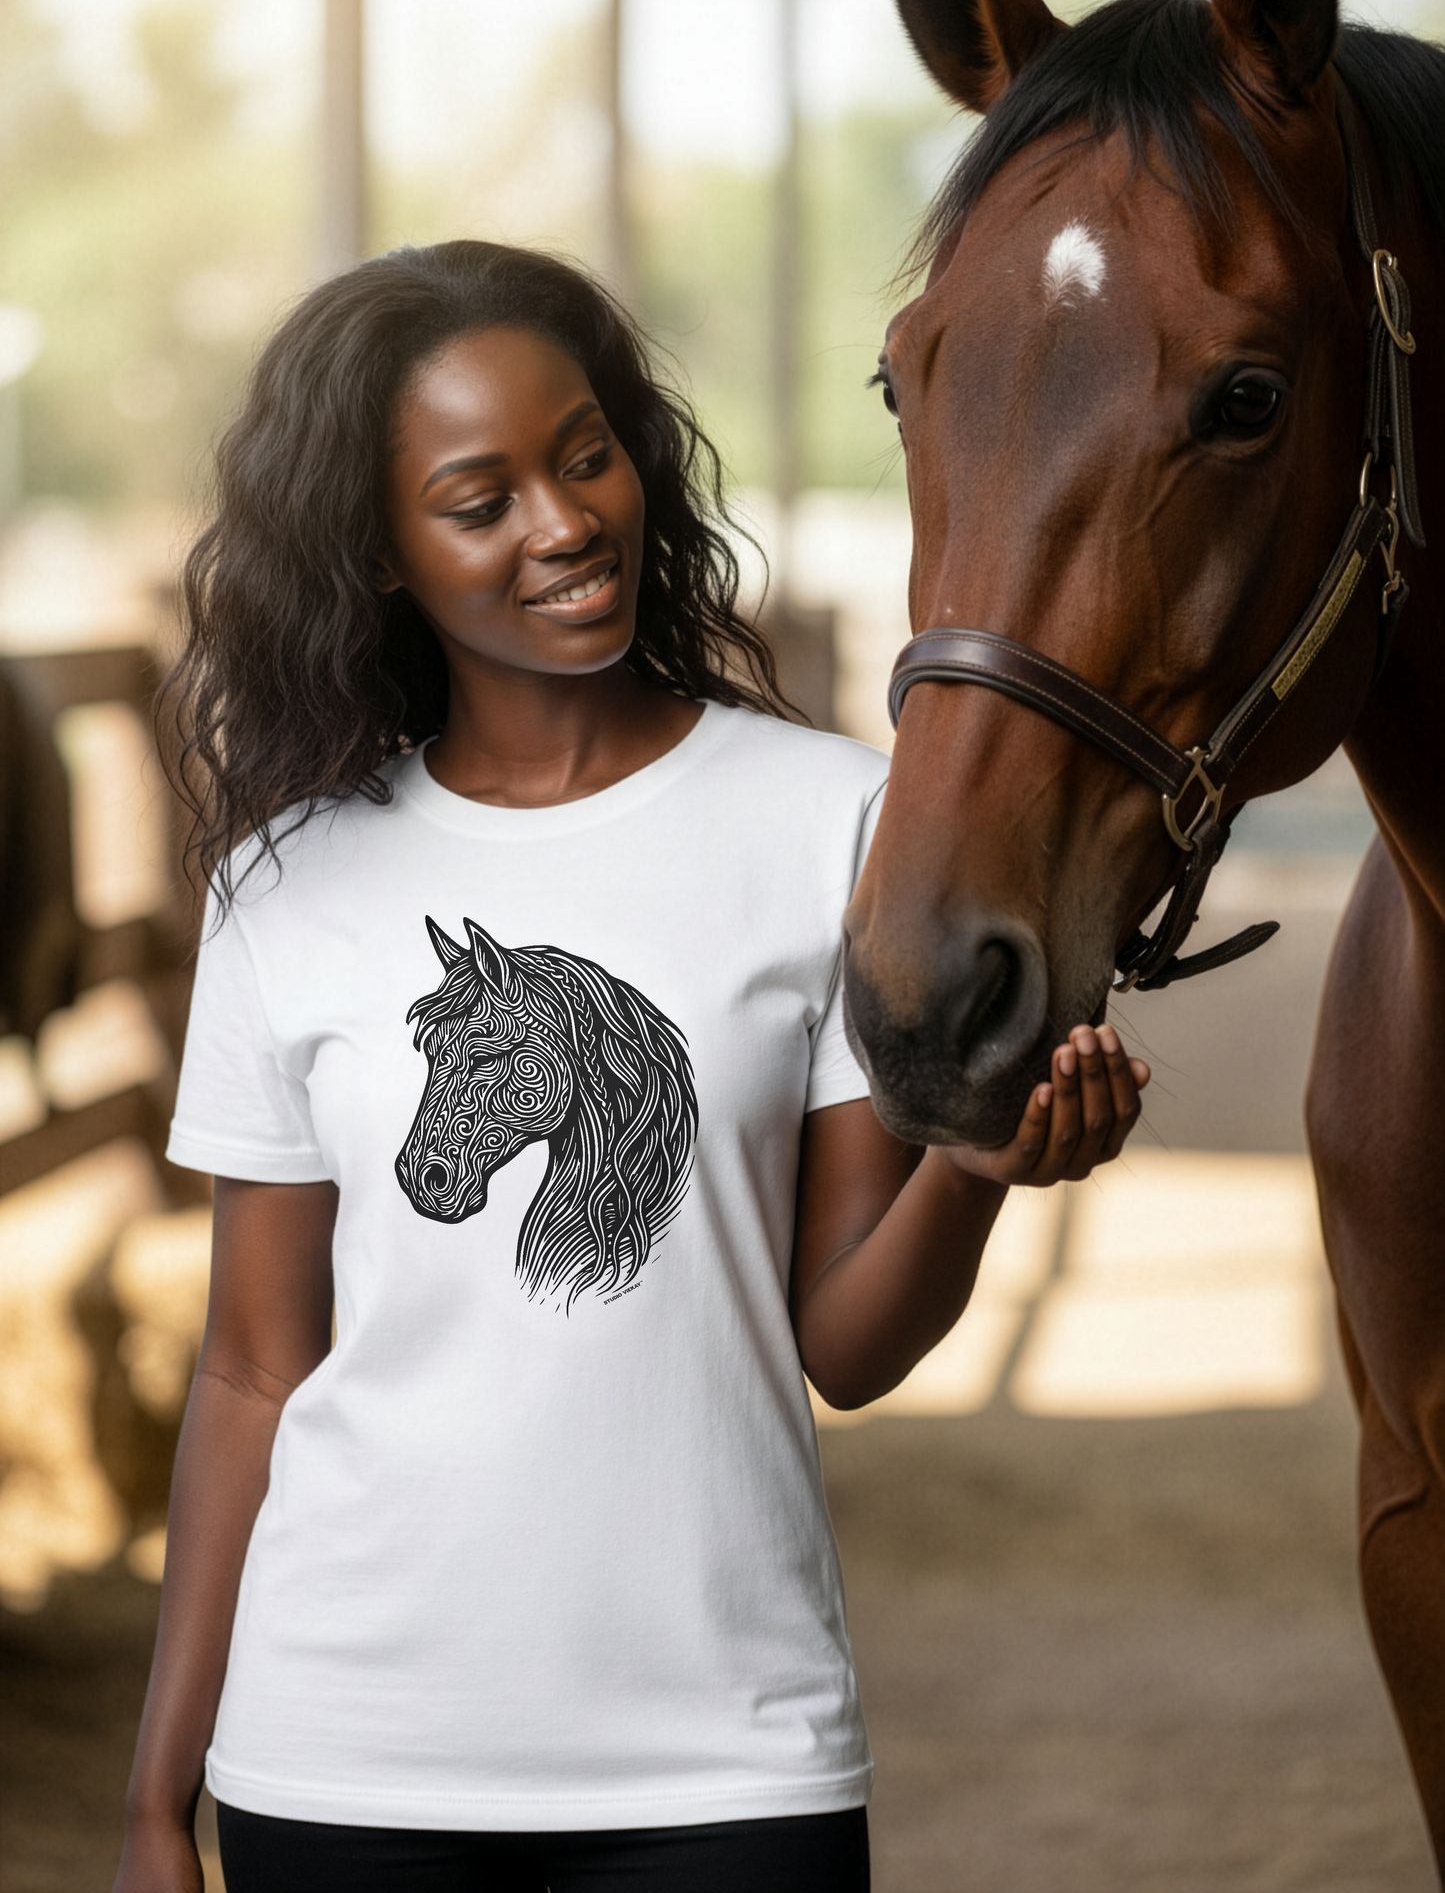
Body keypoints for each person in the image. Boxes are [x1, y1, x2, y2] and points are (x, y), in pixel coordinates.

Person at [114, 241, 1149, 1893]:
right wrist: (159, 1801)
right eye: (479, 500)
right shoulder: (287, 885)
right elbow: (251, 1370)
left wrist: (975, 1165)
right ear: (381, 557)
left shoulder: (834, 826)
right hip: (336, 1757)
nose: (563, 522)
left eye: (584, 453)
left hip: (725, 1761)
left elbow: (846, 1347)